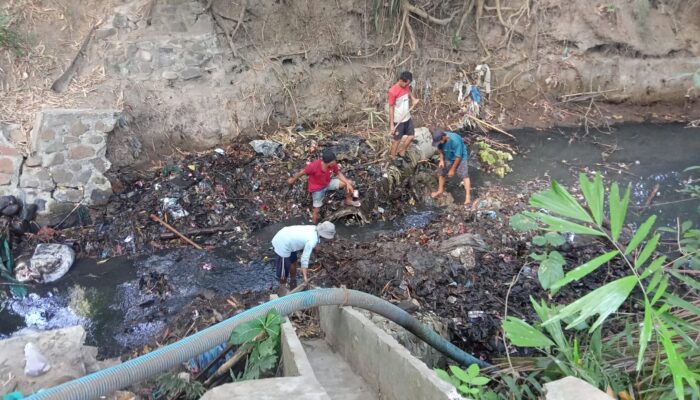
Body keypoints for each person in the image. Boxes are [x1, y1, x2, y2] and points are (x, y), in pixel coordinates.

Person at [287, 149, 360, 224]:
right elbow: (302, 172)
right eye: (334, 161)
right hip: (317, 189)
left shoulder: (333, 165)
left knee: (349, 182)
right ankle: (314, 225)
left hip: (328, 183)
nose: (336, 162)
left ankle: (348, 200)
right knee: (316, 210)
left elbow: (338, 173)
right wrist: (293, 179)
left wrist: (347, 183)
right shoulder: (314, 166)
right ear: (330, 162)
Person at [271, 221, 336, 287]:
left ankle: (293, 281)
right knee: (283, 272)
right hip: (282, 243)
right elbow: (304, 259)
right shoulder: (312, 240)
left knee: (293, 262)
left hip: (289, 238)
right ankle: (282, 287)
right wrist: (305, 277)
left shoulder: (315, 228)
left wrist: (317, 245)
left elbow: (317, 237)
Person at [430, 130, 471, 205]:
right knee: (441, 172)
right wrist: (441, 160)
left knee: (464, 175)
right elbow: (440, 150)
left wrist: (452, 170)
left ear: (444, 137)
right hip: (448, 155)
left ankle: (468, 197)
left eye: (439, 141)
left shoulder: (455, 141)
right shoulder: (440, 140)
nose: (438, 143)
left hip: (461, 157)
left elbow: (458, 157)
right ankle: (440, 190)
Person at [388, 71, 420, 160]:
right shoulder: (392, 91)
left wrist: (413, 99)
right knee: (397, 140)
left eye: (409, 84)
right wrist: (392, 125)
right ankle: (393, 157)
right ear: (401, 80)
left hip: (407, 117)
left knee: (411, 136)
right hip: (398, 120)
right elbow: (391, 108)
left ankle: (402, 151)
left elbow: (409, 92)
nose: (407, 85)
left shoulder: (406, 86)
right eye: (407, 83)